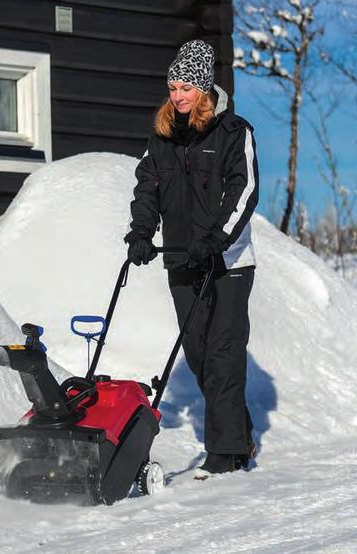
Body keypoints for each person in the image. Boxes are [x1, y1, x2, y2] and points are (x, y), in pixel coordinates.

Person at [124, 39, 260, 479]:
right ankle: (237, 432)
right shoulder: (162, 135)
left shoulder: (234, 132)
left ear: (204, 88)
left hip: (229, 263)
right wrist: (143, 233)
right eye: (173, 86)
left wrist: (218, 239)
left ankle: (225, 452)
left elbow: (245, 191)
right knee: (200, 354)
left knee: (222, 351)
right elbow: (148, 186)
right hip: (181, 257)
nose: (178, 95)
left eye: (186, 87)